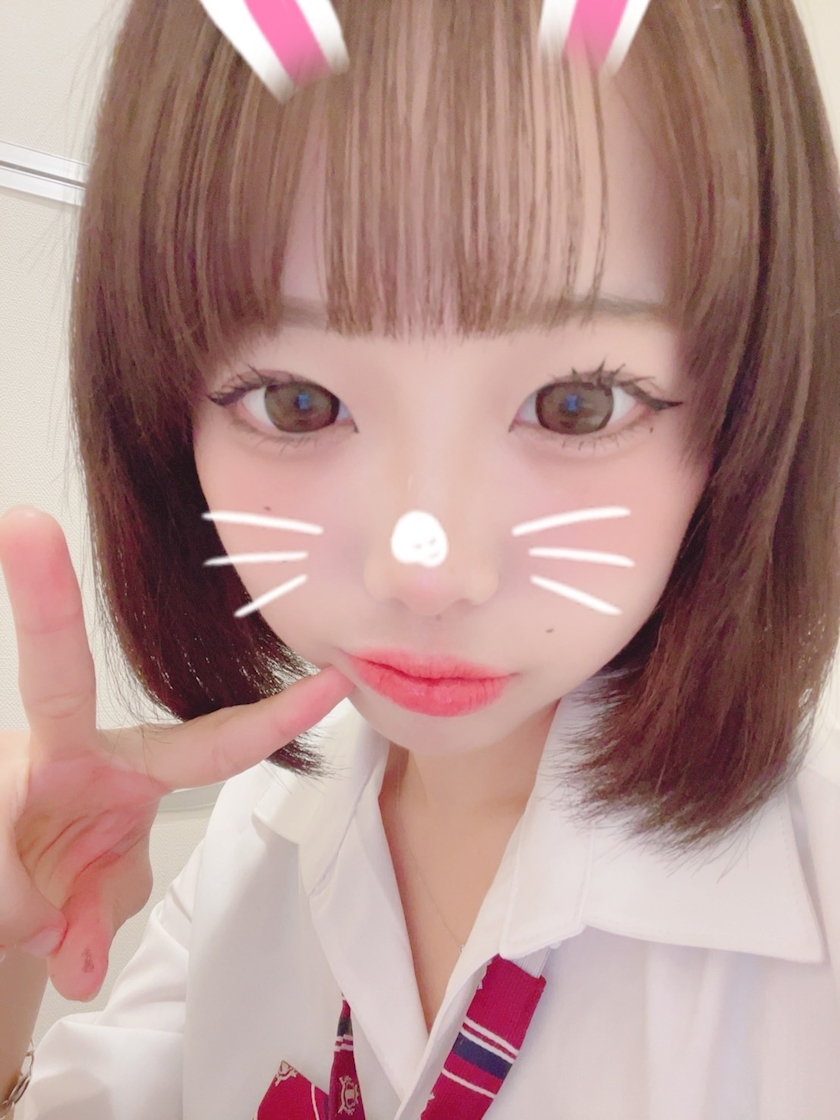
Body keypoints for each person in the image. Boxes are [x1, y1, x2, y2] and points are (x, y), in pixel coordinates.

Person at [2, 0, 840, 1116]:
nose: (428, 570)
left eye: (578, 403)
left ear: (748, 402)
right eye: (297, 402)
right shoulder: (259, 831)